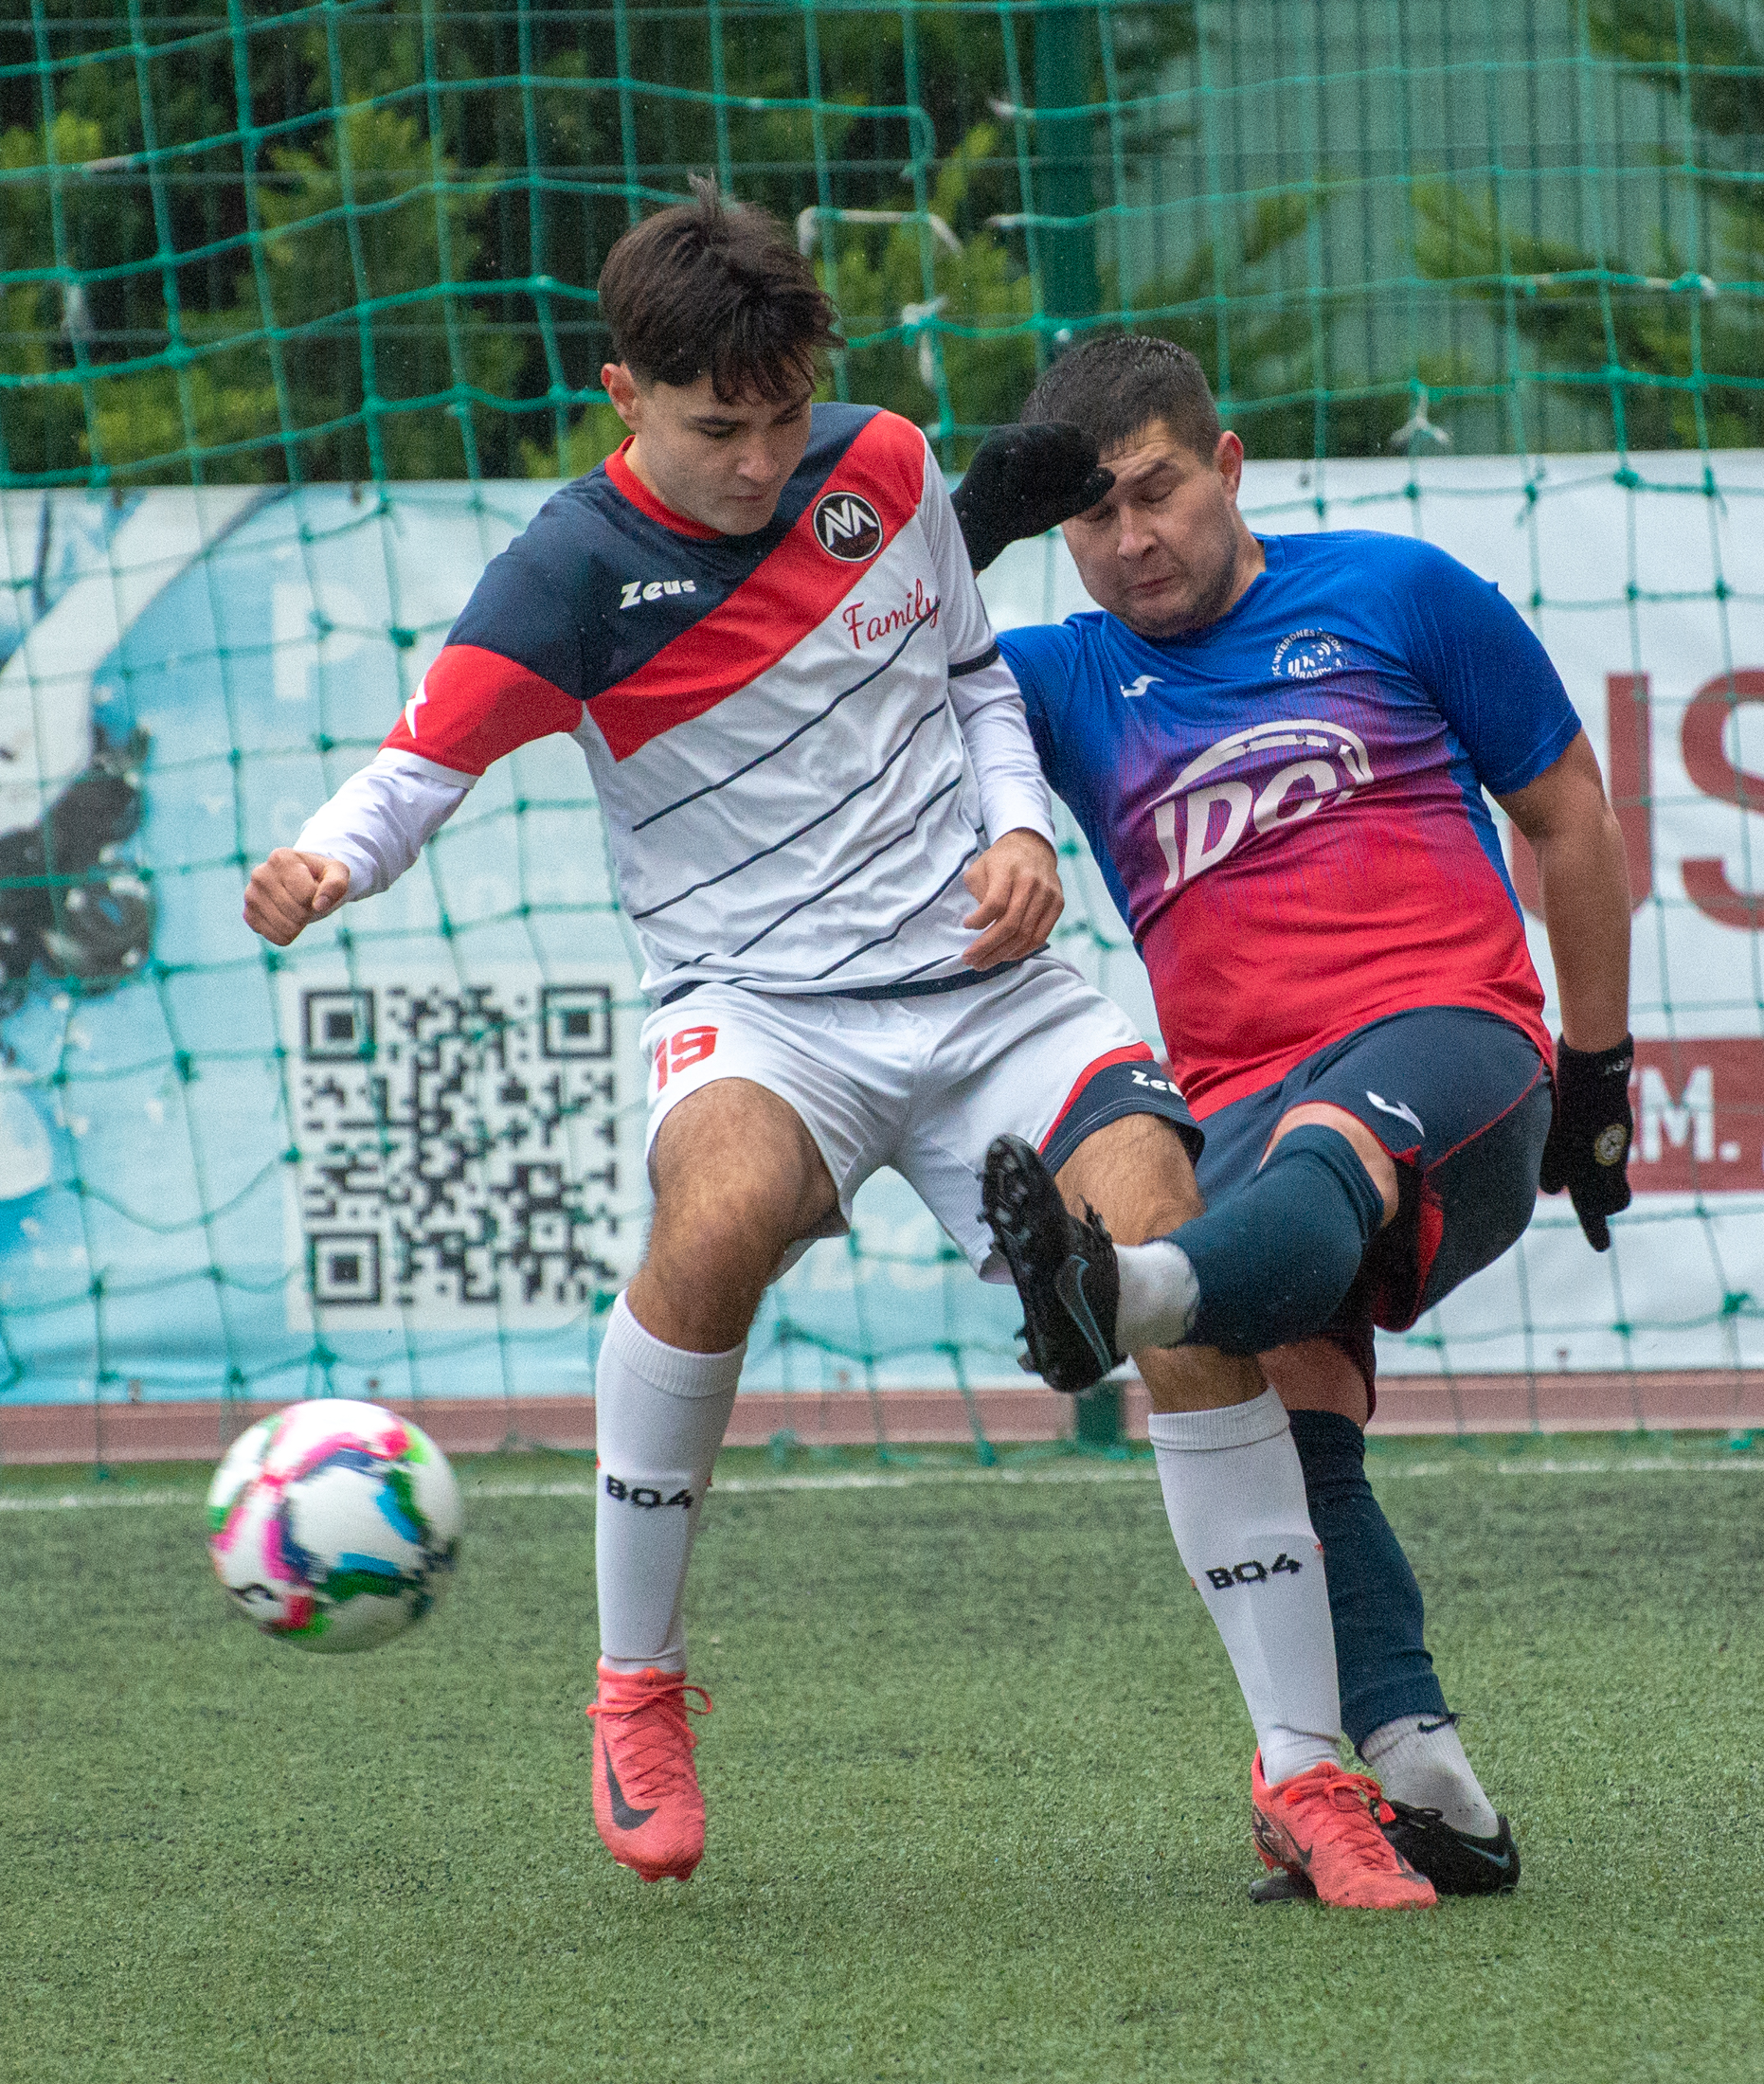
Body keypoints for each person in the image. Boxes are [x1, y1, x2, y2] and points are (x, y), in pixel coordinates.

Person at [243, 190, 1434, 1910]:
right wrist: (323, 865)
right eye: (715, 428)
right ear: (621, 396)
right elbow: (417, 769)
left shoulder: (880, 463)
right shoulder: (569, 573)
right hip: (759, 1005)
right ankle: (636, 1685)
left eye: (781, 416)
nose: (758, 460)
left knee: (1168, 1265)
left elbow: (974, 679)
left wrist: (1015, 831)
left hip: (987, 991)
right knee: (717, 1219)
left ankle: (1304, 1773)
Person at [975, 335, 1634, 1902]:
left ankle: (1125, 1291)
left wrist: (1597, 1073)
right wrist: (963, 528)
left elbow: (1568, 816)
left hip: (1445, 1043)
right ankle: (1432, 1792)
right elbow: (849, 669)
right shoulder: (1056, 677)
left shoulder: (1400, 592)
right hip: (1241, 1114)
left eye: (1154, 492)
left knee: (1321, 1154)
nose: (1131, 541)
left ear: (1228, 465)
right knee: (1291, 1421)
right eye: (1089, 519)